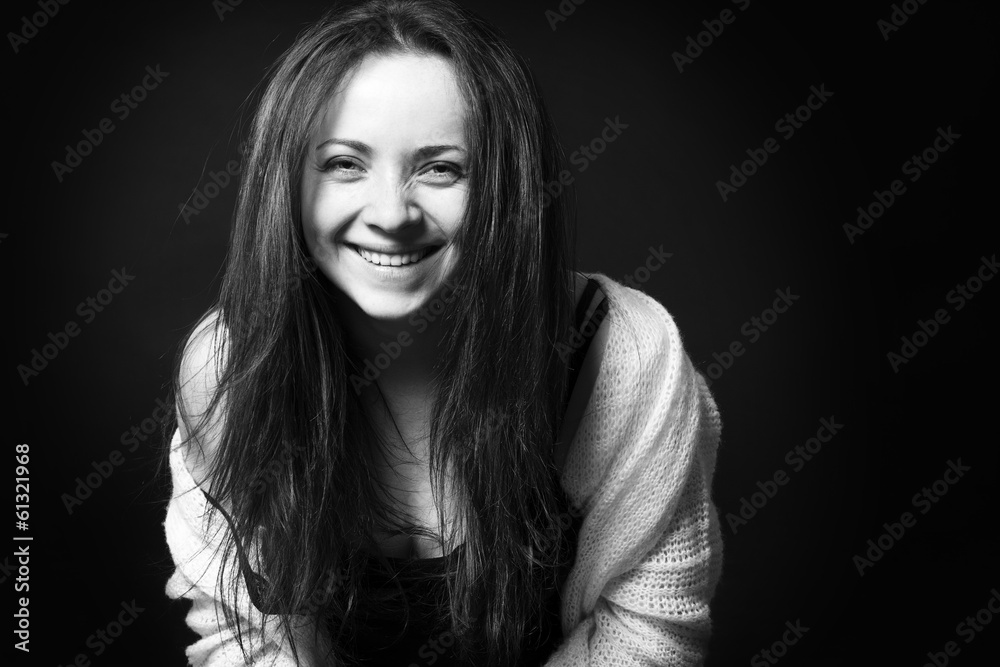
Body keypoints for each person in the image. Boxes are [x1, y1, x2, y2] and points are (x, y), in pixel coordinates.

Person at [162, 0, 724, 665]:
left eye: (442, 168)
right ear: (286, 182)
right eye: (345, 163)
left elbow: (650, 633)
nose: (392, 214)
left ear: (503, 189)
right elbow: (240, 633)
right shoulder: (229, 366)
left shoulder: (623, 354)